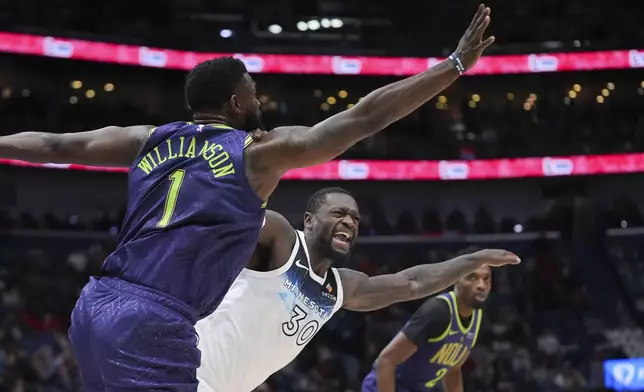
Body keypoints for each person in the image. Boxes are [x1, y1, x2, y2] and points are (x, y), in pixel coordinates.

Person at [0, 5, 496, 390]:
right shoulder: (256, 155)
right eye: (254, 93)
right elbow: (363, 119)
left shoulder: (148, 138)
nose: (259, 102)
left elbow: (55, 145)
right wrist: (453, 66)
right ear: (237, 103)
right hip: (156, 320)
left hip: (95, 306)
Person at [195, 188, 517, 392]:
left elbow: (412, 283)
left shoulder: (341, 287)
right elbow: (223, 220)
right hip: (191, 371)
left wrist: (473, 259)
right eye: (339, 213)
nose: (349, 221)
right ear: (309, 220)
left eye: (355, 218)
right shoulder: (281, 237)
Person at [361, 263, 494, 392]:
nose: (481, 285)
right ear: (455, 279)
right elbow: (385, 361)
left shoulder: (477, 317)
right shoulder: (439, 311)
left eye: (486, 279)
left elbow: (453, 370)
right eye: (472, 277)